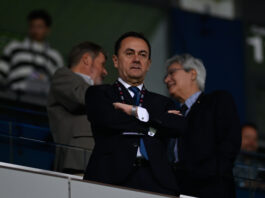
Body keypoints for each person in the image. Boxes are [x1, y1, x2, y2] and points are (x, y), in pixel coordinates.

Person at [83, 32, 186, 196]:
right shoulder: (99, 93)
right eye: (129, 53)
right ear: (116, 61)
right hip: (110, 178)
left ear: (149, 63)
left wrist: (136, 112)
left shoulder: (163, 102)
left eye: (142, 55)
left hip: (158, 182)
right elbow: (108, 119)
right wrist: (154, 126)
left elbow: (178, 126)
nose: (137, 59)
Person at [164, 54, 241, 198]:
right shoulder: (172, 115)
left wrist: (206, 176)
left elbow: (230, 143)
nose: (166, 79)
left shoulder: (217, 101)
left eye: (172, 72)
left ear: (192, 73)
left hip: (210, 191)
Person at [47, 41, 107, 174]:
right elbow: (81, 97)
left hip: (101, 162)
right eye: (102, 64)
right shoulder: (62, 75)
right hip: (78, 161)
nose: (105, 72)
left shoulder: (96, 93)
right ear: (86, 60)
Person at [0, 9, 63, 95]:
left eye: (39, 27)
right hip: (13, 96)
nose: (35, 30)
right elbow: (2, 70)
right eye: (32, 26)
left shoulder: (55, 56)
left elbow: (59, 84)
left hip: (41, 101)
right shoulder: (14, 47)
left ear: (47, 30)